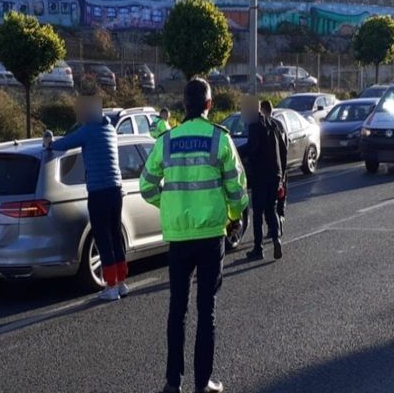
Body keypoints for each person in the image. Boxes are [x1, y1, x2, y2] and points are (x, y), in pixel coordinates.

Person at [140, 78, 248, 393]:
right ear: (209, 105)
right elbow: (237, 188)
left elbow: (146, 186)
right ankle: (203, 384)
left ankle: (173, 382)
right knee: (206, 310)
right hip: (211, 235)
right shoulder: (219, 138)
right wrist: (234, 216)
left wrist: (169, 205)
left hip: (178, 238)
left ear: (183, 105)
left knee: (177, 309)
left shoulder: (167, 140)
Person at [49, 95, 127, 300]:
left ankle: (110, 286)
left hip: (99, 191)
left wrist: (49, 144)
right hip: (116, 189)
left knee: (103, 237)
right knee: (115, 235)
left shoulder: (88, 131)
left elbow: (65, 144)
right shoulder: (110, 129)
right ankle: (121, 283)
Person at [237, 96, 283, 261]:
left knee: (257, 213)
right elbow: (281, 149)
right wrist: (281, 175)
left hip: (261, 174)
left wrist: (236, 152)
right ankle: (276, 239)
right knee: (271, 208)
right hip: (275, 173)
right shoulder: (272, 124)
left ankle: (258, 248)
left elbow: (252, 147)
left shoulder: (255, 125)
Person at [260, 99, 288, 236]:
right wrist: (283, 171)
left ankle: (274, 228)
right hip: (280, 170)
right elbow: (284, 149)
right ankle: (279, 220)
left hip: (271, 171)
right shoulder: (279, 124)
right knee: (279, 199)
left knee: (270, 203)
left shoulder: (268, 126)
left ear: (263, 110)